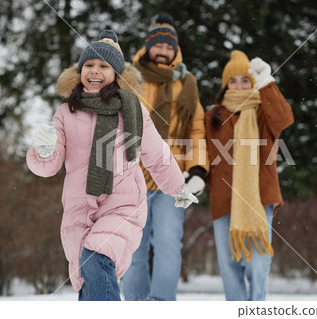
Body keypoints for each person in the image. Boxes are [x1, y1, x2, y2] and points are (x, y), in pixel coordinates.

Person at [26, 30, 198, 301]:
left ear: (116, 74)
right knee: (86, 276)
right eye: (89, 65)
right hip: (79, 208)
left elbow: (156, 153)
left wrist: (178, 187)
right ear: (80, 71)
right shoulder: (66, 112)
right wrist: (43, 149)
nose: (95, 71)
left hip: (123, 204)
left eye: (104, 66)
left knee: (96, 255)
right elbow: (49, 167)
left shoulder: (132, 109)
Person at [122, 14, 209, 301]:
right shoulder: (129, 78)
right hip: (132, 175)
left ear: (176, 51)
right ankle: (135, 305)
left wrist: (197, 170)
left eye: (169, 47)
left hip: (173, 179)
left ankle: (161, 305)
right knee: (133, 246)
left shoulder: (187, 86)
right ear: (148, 47)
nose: (163, 51)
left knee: (169, 244)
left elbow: (196, 129)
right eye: (158, 45)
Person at [205, 50, 294, 301]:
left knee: (257, 261)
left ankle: (256, 307)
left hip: (259, 194)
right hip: (223, 197)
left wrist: (267, 80)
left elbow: (285, 118)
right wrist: (197, 174)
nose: (239, 85)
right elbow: (202, 151)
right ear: (225, 85)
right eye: (233, 81)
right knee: (229, 265)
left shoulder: (263, 112)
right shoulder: (213, 115)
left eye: (245, 80)